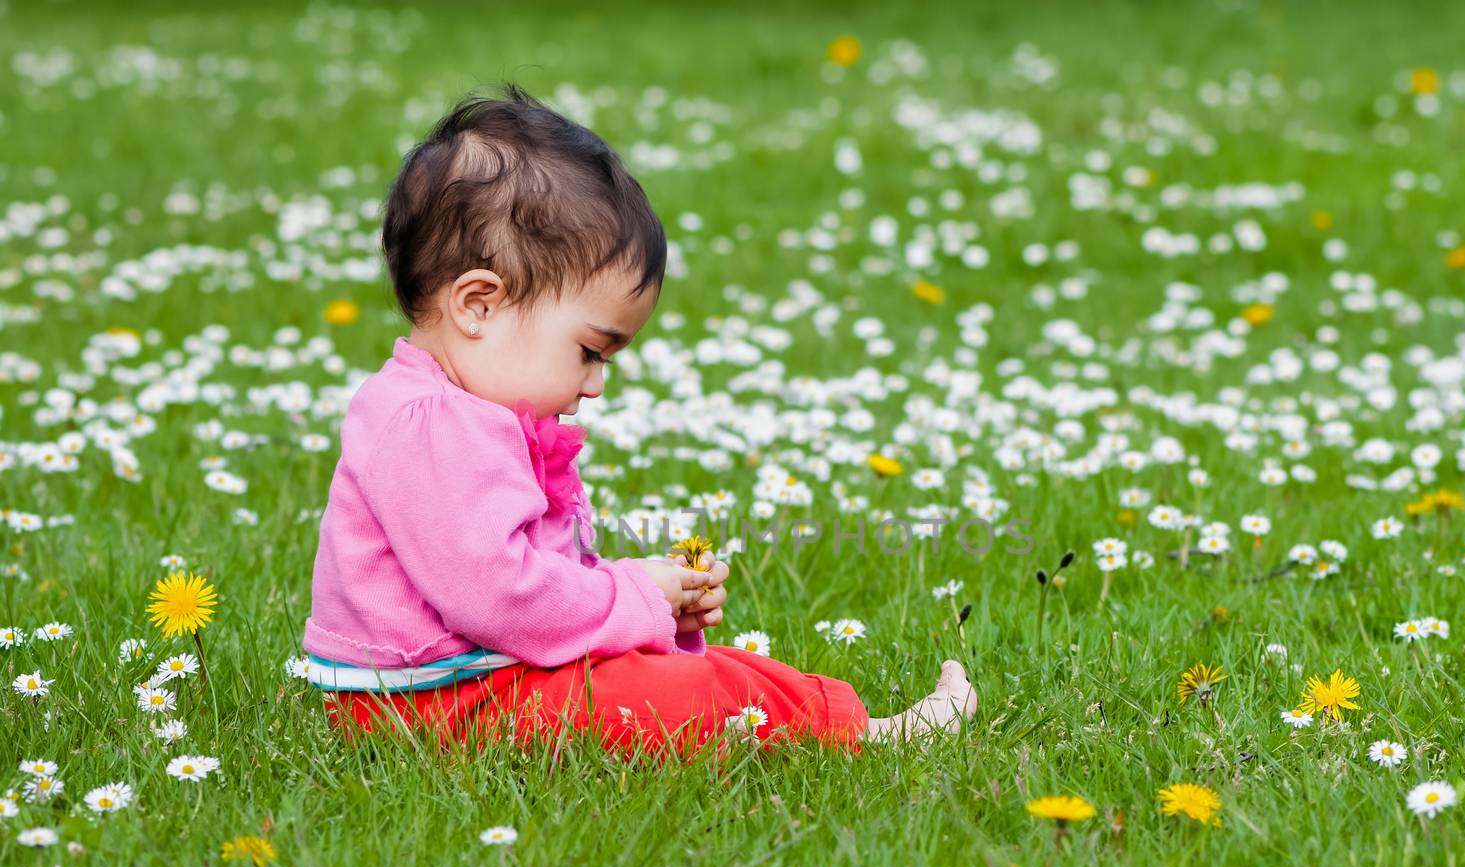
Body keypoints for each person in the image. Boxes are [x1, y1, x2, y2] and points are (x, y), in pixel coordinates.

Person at [302, 83, 976, 757]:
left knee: (701, 673)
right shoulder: (429, 429)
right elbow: (500, 595)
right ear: (479, 305)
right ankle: (855, 735)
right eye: (590, 350)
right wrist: (631, 595)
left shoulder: (467, 415)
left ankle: (822, 721)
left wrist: (655, 605)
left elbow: (538, 581)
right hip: (435, 709)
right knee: (684, 693)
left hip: (479, 686)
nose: (596, 384)